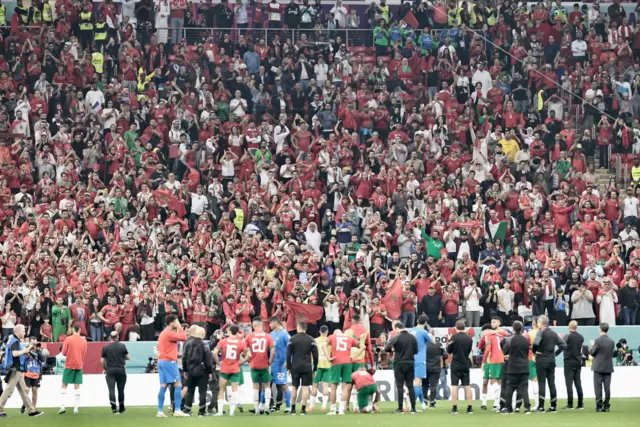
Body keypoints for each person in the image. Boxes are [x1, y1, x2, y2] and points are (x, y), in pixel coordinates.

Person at [0, 325, 44, 418]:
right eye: (24, 331)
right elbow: (15, 354)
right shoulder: (14, 341)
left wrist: (26, 352)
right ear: (18, 331)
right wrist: (25, 350)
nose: (25, 333)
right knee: (8, 390)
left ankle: (31, 410)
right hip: (15, 369)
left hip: (17, 369)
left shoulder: (12, 339)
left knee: (24, 391)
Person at [156, 315, 189, 418]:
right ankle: (178, 410)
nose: (178, 323)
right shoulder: (169, 333)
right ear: (172, 323)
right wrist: (180, 327)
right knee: (178, 385)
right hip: (169, 362)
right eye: (177, 321)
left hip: (162, 361)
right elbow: (184, 337)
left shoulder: (164, 333)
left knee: (163, 386)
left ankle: (160, 411)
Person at [532, 315, 567, 412]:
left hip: (541, 358)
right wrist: (555, 353)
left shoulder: (540, 332)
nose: (537, 324)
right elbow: (563, 345)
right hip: (551, 360)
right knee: (551, 383)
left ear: (541, 323)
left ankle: (541, 406)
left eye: (538, 322)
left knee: (542, 383)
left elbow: (535, 343)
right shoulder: (554, 333)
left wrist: (534, 352)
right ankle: (553, 406)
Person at [213, 325, 249, 416]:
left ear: (229, 332)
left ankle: (220, 412)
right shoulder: (241, 342)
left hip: (225, 367)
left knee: (221, 389)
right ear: (237, 332)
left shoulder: (223, 341)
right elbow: (249, 355)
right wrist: (241, 362)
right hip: (235, 368)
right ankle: (231, 412)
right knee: (235, 390)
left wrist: (218, 363)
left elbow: (214, 353)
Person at [384, 321, 418, 414]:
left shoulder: (396, 337)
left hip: (399, 363)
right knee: (410, 386)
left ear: (397, 328)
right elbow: (416, 351)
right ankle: (413, 408)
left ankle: (400, 408)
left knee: (400, 387)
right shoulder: (413, 337)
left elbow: (386, 348)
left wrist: (394, 350)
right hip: (410, 363)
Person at [286, 321, 318, 415]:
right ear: (306, 328)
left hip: (295, 366)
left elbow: (288, 355)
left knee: (294, 387)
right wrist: (314, 368)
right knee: (305, 388)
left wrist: (289, 367)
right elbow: (316, 355)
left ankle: (292, 409)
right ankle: (303, 409)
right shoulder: (311, 339)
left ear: (298, 327)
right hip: (307, 366)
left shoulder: (292, 339)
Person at [327, 328, 361, 415]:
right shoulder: (349, 338)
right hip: (347, 362)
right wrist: (354, 357)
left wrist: (328, 357)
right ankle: (342, 409)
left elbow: (323, 345)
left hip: (336, 361)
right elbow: (363, 346)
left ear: (335, 333)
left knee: (334, 386)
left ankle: (333, 409)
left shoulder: (332, 337)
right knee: (346, 386)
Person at [246, 318, 275, 415]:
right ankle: (266, 406)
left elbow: (243, 350)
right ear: (261, 325)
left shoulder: (249, 336)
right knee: (267, 385)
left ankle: (256, 408)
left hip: (254, 364)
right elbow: (273, 352)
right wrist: (270, 361)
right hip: (264, 364)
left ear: (254, 325)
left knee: (255, 386)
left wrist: (248, 359)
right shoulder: (268, 336)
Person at [502, 321, 531, 414]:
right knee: (524, 388)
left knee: (509, 388)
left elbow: (505, 351)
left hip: (512, 367)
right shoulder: (525, 339)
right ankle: (527, 408)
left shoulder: (509, 339)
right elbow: (527, 352)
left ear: (513, 329)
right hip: (524, 366)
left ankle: (508, 408)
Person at [182, 325, 213, 417]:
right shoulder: (205, 345)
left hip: (191, 370)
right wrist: (210, 372)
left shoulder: (188, 344)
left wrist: (185, 370)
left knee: (190, 390)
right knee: (202, 391)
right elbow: (208, 360)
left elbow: (184, 358)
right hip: (203, 371)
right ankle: (201, 411)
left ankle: (187, 409)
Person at [446, 319, 474, 415]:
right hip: (465, 363)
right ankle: (470, 407)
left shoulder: (453, 338)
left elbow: (449, 351)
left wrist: (450, 340)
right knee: (467, 386)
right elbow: (469, 350)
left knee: (454, 386)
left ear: (456, 327)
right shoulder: (469, 338)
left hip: (456, 364)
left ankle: (455, 408)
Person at [59, 324, 88, 415]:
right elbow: (84, 353)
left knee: (64, 385)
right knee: (77, 387)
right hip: (79, 365)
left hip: (69, 365)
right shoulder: (84, 341)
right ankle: (76, 408)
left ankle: (63, 406)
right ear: (79, 330)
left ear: (72, 330)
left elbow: (63, 353)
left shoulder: (68, 339)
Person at [101, 331, 130, 414]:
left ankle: (114, 408)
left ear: (110, 337)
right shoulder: (122, 346)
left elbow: (102, 361)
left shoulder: (105, 347)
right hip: (121, 370)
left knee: (111, 389)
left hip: (110, 370)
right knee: (121, 389)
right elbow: (128, 357)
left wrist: (105, 369)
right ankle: (121, 407)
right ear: (117, 337)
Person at [590, 322, 615, 412]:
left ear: (600, 329)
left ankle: (599, 406)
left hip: (598, 367)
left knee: (598, 387)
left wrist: (593, 345)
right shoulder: (611, 341)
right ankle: (607, 406)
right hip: (608, 367)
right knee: (607, 387)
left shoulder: (598, 341)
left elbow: (592, 353)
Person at [409, 314, 432, 411]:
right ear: (426, 322)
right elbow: (432, 341)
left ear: (417, 320)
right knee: (418, 383)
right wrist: (430, 332)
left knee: (416, 383)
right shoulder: (424, 332)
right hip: (420, 359)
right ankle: (412, 405)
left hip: (410, 359)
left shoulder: (410, 331)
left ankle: (422, 403)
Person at [268, 316, 291, 413]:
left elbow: (291, 348)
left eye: (270, 323)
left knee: (283, 385)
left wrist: (288, 361)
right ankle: (270, 405)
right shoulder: (270, 334)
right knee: (268, 385)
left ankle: (288, 407)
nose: (269, 325)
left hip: (281, 364)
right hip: (272, 364)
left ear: (275, 322)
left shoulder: (285, 334)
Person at [563, 320, 584, 410]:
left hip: (568, 362)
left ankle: (570, 403)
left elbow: (562, 345)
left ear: (569, 326)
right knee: (578, 383)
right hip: (577, 361)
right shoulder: (581, 337)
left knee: (569, 384)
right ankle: (580, 403)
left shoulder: (567, 337)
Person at [309, 325, 331, 412]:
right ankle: (324, 406)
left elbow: (311, 353)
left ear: (319, 331)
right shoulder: (330, 341)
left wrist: (311, 364)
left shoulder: (315, 340)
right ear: (327, 332)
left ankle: (311, 407)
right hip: (327, 365)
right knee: (325, 387)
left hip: (317, 366)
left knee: (314, 386)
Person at [425, 327, 447, 408]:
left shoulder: (424, 343)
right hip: (436, 367)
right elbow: (445, 355)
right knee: (434, 385)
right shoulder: (438, 343)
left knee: (425, 385)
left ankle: (424, 400)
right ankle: (432, 401)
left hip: (425, 367)